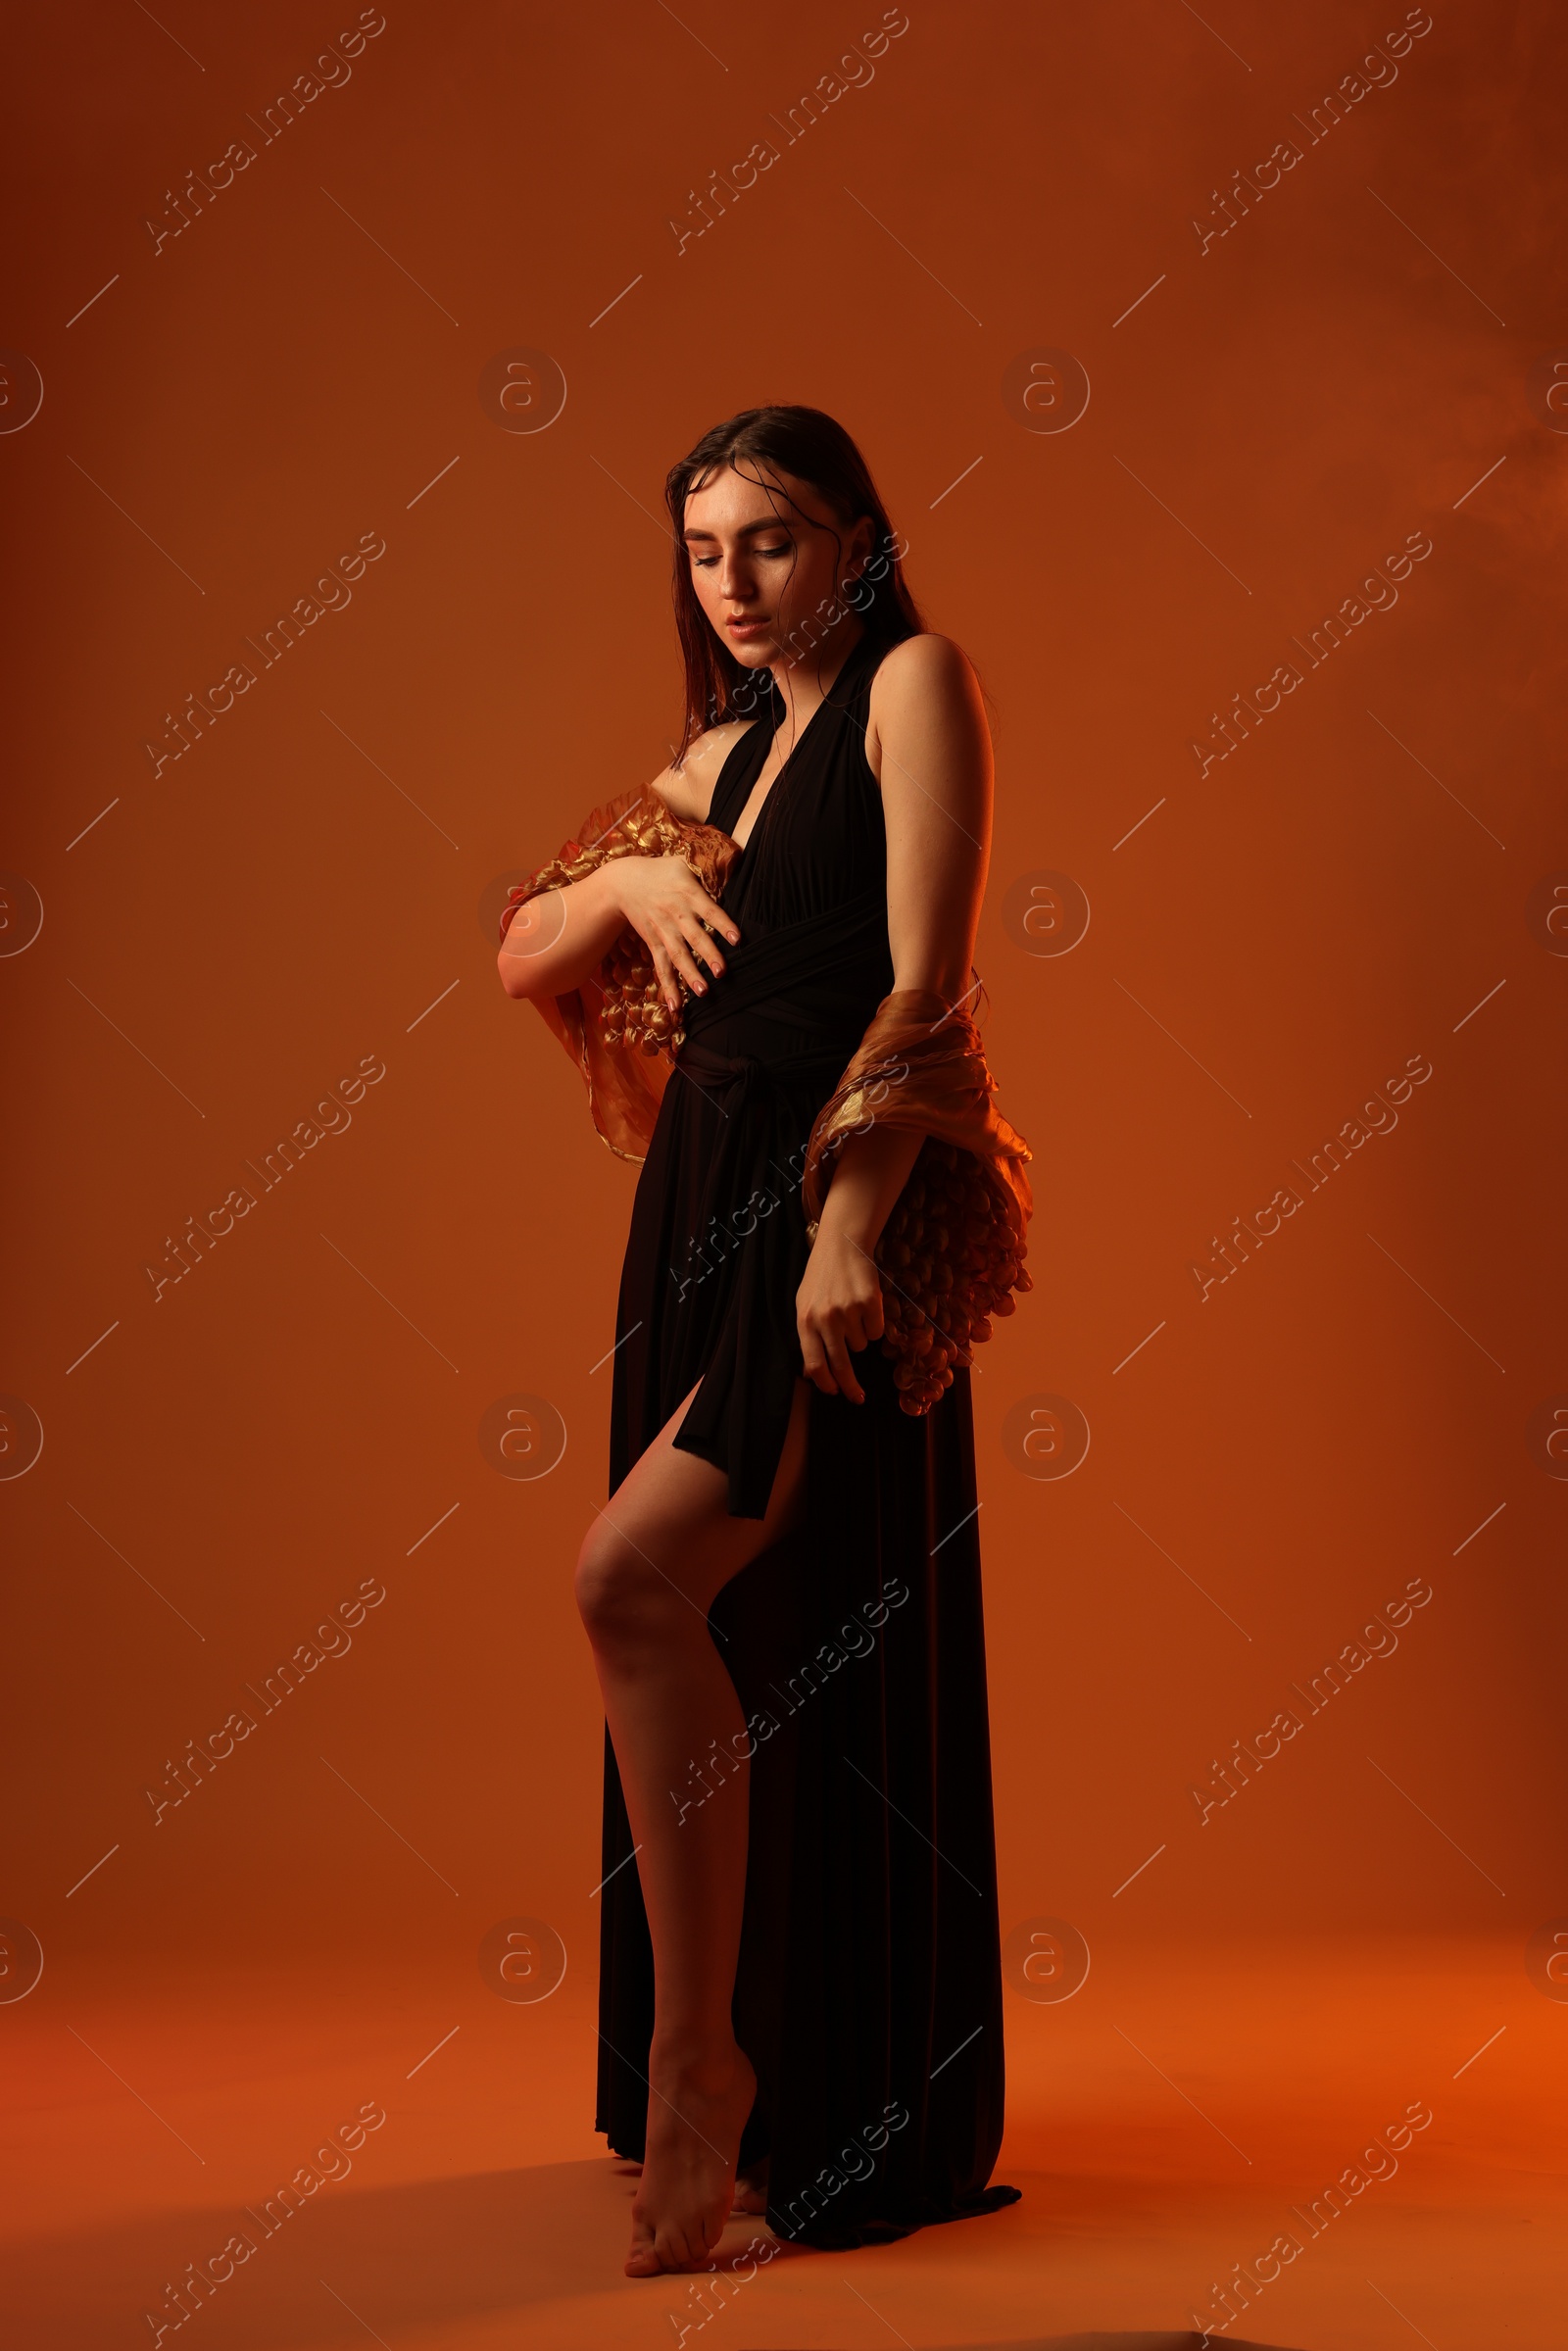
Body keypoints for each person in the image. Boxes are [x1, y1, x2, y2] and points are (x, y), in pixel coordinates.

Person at [497, 405, 1025, 2277]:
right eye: (705, 551)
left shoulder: (912, 683)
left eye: (773, 542)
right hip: (693, 1222)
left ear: (859, 538)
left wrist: (857, 1228)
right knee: (712, 1621)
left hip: (819, 1203)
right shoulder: (709, 756)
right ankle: (718, 2063)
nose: (733, 586)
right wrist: (628, 885)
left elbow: (927, 986)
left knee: (632, 1581)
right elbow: (519, 948)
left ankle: (709, 2063)